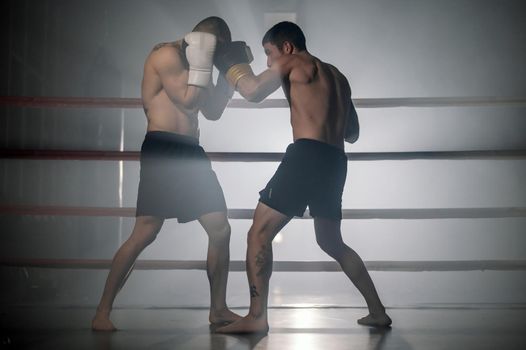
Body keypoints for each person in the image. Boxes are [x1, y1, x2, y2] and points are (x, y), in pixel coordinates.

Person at [213, 21, 391, 333]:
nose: (268, 62)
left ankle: (256, 317)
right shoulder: (338, 77)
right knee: (331, 241)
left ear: (287, 47)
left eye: (269, 53)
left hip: (307, 155)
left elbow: (252, 91)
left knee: (258, 234)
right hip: (335, 160)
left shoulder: (291, 61)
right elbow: (353, 133)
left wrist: (228, 62)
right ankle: (377, 311)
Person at [91, 16, 240, 331]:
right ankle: (102, 311)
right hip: (163, 148)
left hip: (192, 151)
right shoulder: (165, 56)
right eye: (214, 52)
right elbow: (188, 100)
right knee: (146, 231)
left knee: (220, 229)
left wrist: (229, 74)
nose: (212, 61)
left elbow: (211, 112)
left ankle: (218, 309)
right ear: (200, 40)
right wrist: (205, 61)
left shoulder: (202, 62)